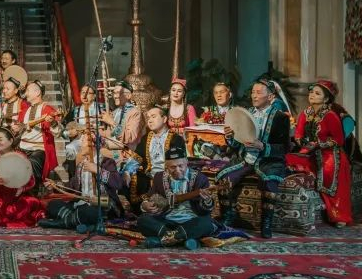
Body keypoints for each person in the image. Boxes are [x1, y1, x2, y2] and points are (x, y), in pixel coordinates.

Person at [216, 79, 290, 238]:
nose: (254, 96)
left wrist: (263, 146)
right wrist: (230, 137)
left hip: (268, 160)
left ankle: (266, 223)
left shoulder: (280, 117)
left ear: (270, 97)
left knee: (269, 181)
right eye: (252, 92)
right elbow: (237, 143)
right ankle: (228, 216)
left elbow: (285, 148)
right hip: (246, 158)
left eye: (258, 92)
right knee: (224, 177)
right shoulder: (245, 114)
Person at [286, 80, 352, 227]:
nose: (312, 95)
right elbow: (298, 134)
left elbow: (338, 140)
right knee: (289, 159)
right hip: (309, 151)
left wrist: (319, 144)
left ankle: (339, 215)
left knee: (328, 170)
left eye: (317, 93)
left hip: (330, 153)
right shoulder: (305, 114)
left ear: (326, 98)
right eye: (311, 92)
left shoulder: (330, 116)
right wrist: (302, 141)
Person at [137, 146, 216, 249]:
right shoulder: (159, 177)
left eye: (180, 166)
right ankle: (184, 238)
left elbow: (204, 211)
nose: (177, 170)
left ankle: (160, 241)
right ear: (166, 166)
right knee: (143, 220)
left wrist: (207, 201)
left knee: (206, 223)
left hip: (191, 221)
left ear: (186, 162)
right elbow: (149, 197)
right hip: (167, 221)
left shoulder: (200, 178)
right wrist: (145, 205)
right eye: (173, 167)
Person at [0, 128, 45, 227]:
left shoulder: (21, 156)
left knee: (32, 202)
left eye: (0, 139)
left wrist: (22, 189)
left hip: (17, 197)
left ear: (11, 141)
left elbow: (31, 181)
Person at [126, 106, 187, 208]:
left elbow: (179, 164)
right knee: (129, 178)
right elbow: (136, 158)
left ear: (164, 119)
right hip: (149, 178)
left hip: (169, 178)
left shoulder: (176, 139)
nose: (150, 120)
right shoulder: (146, 138)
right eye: (148, 118)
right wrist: (127, 171)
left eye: (153, 117)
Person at [13, 80, 61, 186]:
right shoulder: (25, 110)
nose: (25, 93)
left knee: (30, 165)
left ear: (37, 93)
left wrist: (53, 123)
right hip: (22, 147)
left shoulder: (47, 110)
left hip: (38, 149)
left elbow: (58, 133)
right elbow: (20, 127)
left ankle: (31, 191)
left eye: (28, 90)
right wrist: (16, 128)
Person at [99, 81, 145, 171]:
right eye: (114, 93)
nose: (115, 96)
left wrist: (112, 122)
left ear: (128, 95)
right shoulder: (115, 112)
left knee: (98, 155)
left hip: (127, 154)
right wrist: (99, 132)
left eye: (119, 93)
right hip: (112, 151)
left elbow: (130, 137)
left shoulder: (135, 112)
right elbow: (110, 136)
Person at [62, 85, 98, 185]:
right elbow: (63, 131)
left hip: (97, 140)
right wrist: (69, 133)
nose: (84, 95)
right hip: (80, 140)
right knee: (69, 149)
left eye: (88, 93)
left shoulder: (101, 108)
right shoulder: (75, 110)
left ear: (94, 96)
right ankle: (74, 180)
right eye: (82, 92)